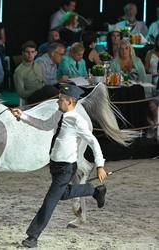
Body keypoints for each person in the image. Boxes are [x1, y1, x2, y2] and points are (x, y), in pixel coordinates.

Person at [11, 83, 107, 248]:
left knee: (50, 201)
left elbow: (93, 141)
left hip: (66, 167)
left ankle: (32, 236)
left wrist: (100, 164)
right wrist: (23, 116)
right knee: (63, 194)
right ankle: (94, 190)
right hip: (55, 165)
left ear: (69, 102)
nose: (57, 102)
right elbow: (45, 125)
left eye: (61, 99)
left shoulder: (77, 121)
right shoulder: (58, 114)